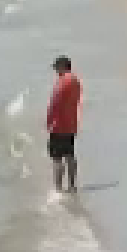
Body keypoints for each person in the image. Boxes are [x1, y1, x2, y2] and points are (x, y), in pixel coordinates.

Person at [46, 56, 82, 194]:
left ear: (62, 66)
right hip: (71, 124)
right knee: (70, 154)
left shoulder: (62, 81)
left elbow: (55, 102)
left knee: (57, 158)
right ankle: (72, 186)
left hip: (59, 124)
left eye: (56, 67)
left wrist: (49, 121)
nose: (55, 70)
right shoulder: (76, 81)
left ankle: (58, 189)